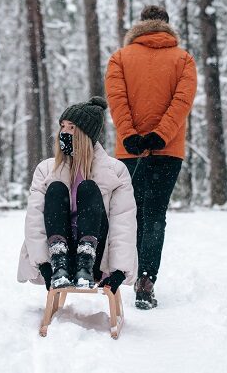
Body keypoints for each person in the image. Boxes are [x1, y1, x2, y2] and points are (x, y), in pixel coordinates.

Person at [105, 5, 197, 309]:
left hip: (128, 151)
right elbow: (182, 102)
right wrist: (161, 135)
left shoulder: (120, 58)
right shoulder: (183, 60)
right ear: (166, 27)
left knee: (131, 213)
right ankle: (146, 278)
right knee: (156, 212)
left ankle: (122, 273)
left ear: (140, 25)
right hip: (168, 151)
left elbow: (117, 100)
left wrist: (130, 135)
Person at [17, 97, 138, 294]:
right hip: (57, 255)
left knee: (88, 188)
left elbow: (123, 222)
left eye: (71, 127)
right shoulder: (46, 169)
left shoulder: (116, 171)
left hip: (96, 255)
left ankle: (85, 261)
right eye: (62, 126)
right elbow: (34, 219)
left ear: (85, 134)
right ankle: (60, 262)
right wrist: (45, 265)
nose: (64, 132)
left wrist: (120, 270)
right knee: (55, 188)